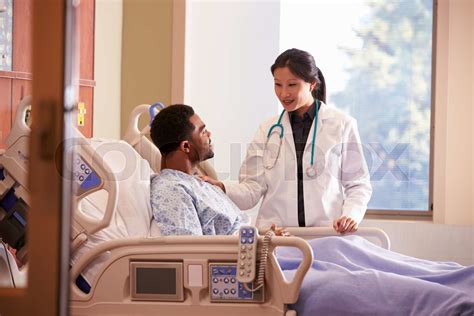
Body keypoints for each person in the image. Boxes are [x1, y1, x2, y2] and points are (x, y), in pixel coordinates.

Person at [203, 48, 372, 233]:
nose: (284, 94)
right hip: (277, 237)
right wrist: (222, 187)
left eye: (292, 85)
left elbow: (358, 184)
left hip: (326, 234)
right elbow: (251, 190)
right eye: (278, 84)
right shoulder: (267, 130)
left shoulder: (341, 125)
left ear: (312, 84)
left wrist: (350, 215)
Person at [149, 104, 249, 236]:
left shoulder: (196, 182)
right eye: (203, 131)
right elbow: (190, 249)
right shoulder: (173, 190)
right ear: (186, 146)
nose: (209, 134)